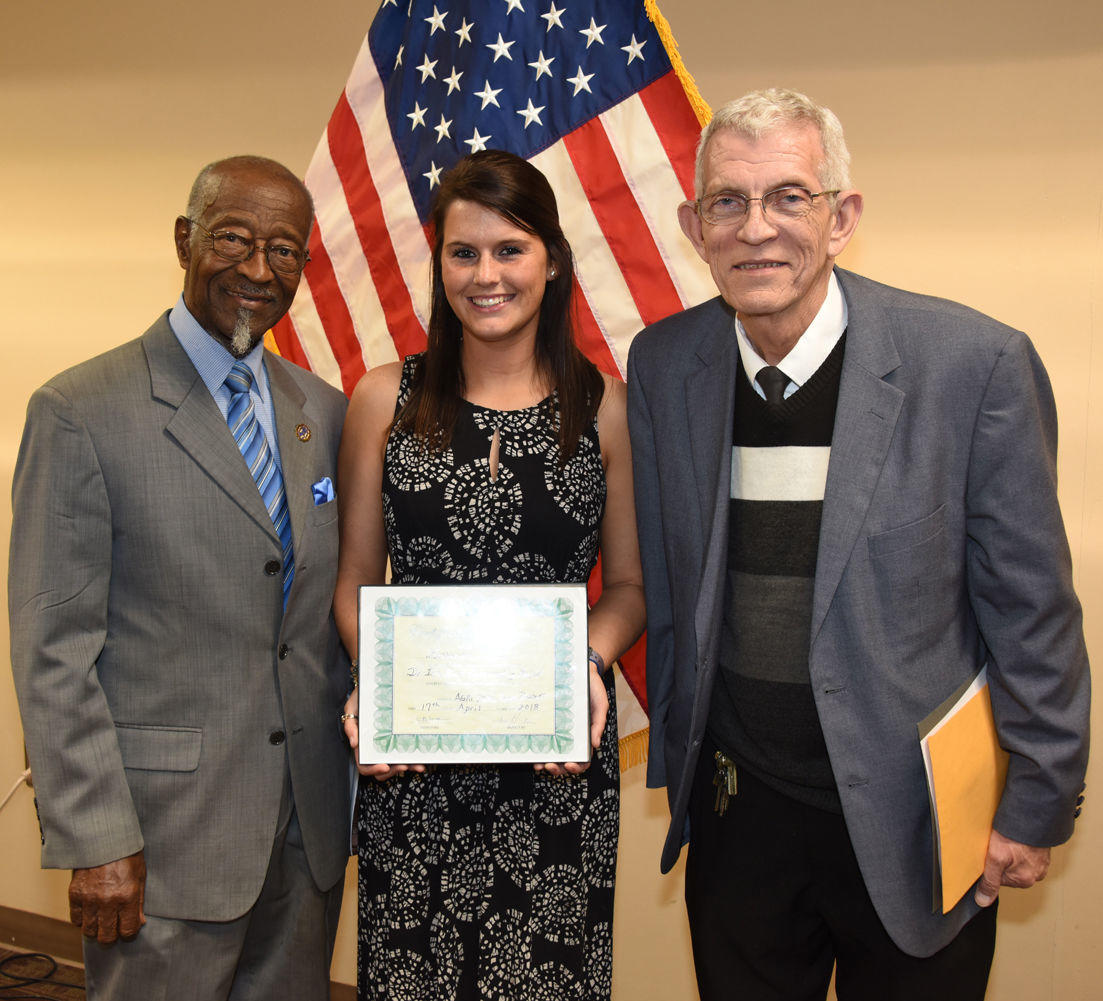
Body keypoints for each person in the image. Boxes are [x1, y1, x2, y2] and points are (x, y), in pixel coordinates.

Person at [626, 88, 1090, 1000]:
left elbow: (1032, 610)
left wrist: (1035, 800)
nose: (756, 228)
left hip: (918, 819)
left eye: (788, 197)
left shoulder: (972, 364)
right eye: (728, 201)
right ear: (694, 224)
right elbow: (675, 584)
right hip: (739, 812)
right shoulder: (663, 361)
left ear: (841, 217)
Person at [8, 155, 351, 1001]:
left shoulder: (322, 409)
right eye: (233, 237)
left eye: (284, 250)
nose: (257, 269)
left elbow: (321, 612)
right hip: (159, 844)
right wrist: (94, 835)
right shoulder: (82, 409)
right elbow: (53, 647)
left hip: (304, 834)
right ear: (184, 239)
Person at [334, 149, 645, 1001]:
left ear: (551, 260)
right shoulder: (381, 398)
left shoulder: (605, 406)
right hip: (415, 763)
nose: (486, 274)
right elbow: (357, 577)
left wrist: (587, 661)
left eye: (509, 249)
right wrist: (381, 681)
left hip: (556, 761)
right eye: (463, 252)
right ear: (438, 265)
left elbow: (629, 588)